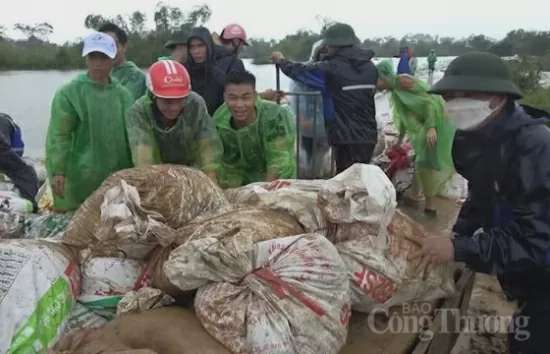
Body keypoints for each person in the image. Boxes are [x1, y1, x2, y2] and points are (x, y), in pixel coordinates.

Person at [410, 52, 550, 353]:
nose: (457, 103)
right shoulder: (476, 138)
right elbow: (480, 197)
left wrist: (460, 249)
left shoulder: (535, 146)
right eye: (451, 96)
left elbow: (538, 239)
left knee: (531, 342)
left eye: (469, 95)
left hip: (544, 268)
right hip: (528, 274)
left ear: (498, 99)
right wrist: (458, 235)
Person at [272, 22, 378, 173]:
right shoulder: (370, 68)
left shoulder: (331, 69)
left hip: (345, 136)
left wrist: (281, 61)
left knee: (347, 180)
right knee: (362, 177)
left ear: (333, 45)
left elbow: (300, 71)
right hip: (369, 134)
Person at [46, 32, 133, 211]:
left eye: (103, 57)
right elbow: (60, 135)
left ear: (113, 58)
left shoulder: (123, 95)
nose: (98, 63)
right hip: (78, 179)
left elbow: (132, 136)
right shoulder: (69, 93)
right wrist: (58, 171)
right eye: (93, 57)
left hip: (115, 176)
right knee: (75, 226)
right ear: (86, 59)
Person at [376, 60, 455, 215]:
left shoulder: (403, 82)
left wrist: (431, 127)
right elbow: (407, 117)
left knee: (426, 163)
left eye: (377, 80)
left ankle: (430, 208)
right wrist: (399, 141)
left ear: (384, 76)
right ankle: (415, 198)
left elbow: (429, 102)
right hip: (425, 125)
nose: (376, 85)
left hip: (435, 123)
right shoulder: (395, 91)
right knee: (420, 162)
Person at [126, 60, 222, 182]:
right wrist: (154, 182)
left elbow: (208, 145)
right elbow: (143, 156)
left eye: (180, 100)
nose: (174, 107)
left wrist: (210, 176)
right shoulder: (139, 111)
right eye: (167, 101)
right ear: (153, 96)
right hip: (158, 172)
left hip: (192, 169)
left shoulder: (195, 104)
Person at [214, 71, 296, 188]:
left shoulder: (275, 116)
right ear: (224, 97)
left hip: (275, 183)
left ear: (255, 96)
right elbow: (219, 160)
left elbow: (279, 160)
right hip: (239, 183)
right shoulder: (220, 119)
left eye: (246, 98)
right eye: (233, 98)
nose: (239, 105)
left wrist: (263, 191)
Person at [287, 40, 332, 178]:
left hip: (327, 124)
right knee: (310, 155)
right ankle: (311, 177)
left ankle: (318, 176)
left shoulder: (334, 72)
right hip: (310, 125)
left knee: (324, 154)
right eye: (322, 52)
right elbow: (297, 101)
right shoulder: (305, 74)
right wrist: (301, 119)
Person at [99, 23, 146, 101]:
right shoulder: (97, 74)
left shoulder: (135, 76)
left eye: (113, 45)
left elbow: (125, 104)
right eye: (103, 46)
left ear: (124, 46)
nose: (109, 52)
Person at [185, 27, 226, 115]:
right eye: (192, 47)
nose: (196, 51)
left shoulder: (219, 77)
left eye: (200, 45)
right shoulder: (183, 75)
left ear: (209, 46)